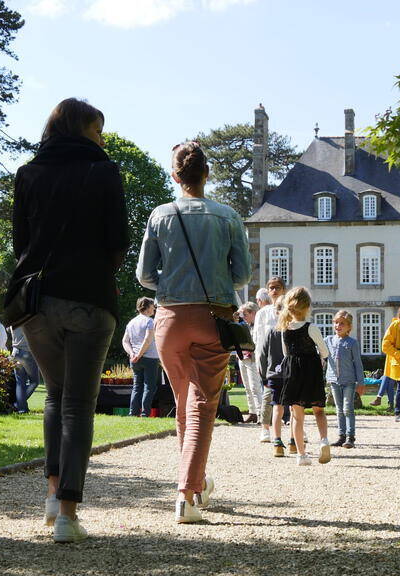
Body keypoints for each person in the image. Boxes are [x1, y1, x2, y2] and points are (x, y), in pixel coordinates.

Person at [9, 98, 128, 543]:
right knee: (79, 402)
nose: (101, 138)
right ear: (81, 129)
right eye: (97, 130)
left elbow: (21, 243)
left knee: (55, 396)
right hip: (88, 298)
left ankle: (51, 496)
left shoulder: (28, 173)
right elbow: (118, 241)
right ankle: (67, 516)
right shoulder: (104, 172)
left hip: (37, 302)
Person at [137, 141, 250, 524]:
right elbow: (242, 276)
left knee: (185, 402)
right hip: (213, 315)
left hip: (169, 317)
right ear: (207, 174)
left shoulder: (160, 215)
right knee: (202, 404)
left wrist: (173, 284)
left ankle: (198, 483)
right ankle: (185, 494)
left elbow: (144, 275)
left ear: (175, 175)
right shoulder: (228, 216)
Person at [277, 286, 331, 466]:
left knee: (297, 416)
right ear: (308, 307)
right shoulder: (311, 327)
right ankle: (324, 440)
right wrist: (322, 361)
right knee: (319, 410)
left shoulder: (285, 330)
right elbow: (324, 351)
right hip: (311, 370)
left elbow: (286, 354)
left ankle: (301, 454)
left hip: (293, 372)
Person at [324, 311, 365, 448]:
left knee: (348, 408)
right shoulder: (328, 341)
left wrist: (361, 382)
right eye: (336, 322)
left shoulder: (352, 343)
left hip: (349, 381)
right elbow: (321, 356)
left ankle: (350, 437)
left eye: (342, 323)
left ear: (349, 327)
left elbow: (358, 364)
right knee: (339, 409)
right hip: (334, 380)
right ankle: (341, 436)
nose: (338, 325)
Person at [256, 295, 289, 456]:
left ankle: (281, 439)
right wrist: (263, 375)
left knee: (277, 406)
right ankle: (265, 429)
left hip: (278, 375)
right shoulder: (273, 332)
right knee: (273, 403)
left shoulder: (286, 331)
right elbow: (262, 355)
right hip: (276, 374)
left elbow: (262, 355)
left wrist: (264, 375)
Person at [122, 297, 161, 417]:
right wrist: (139, 354)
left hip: (134, 360)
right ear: (147, 307)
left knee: (136, 386)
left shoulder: (131, 322)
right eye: (152, 306)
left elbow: (125, 341)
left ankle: (132, 413)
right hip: (150, 358)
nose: (154, 308)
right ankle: (145, 414)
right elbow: (148, 339)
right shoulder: (149, 321)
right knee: (149, 386)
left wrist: (133, 354)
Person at [237, 302, 265, 433]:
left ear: (253, 313)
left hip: (253, 359)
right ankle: (252, 412)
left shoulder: (258, 326)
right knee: (247, 387)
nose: (243, 316)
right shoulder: (244, 325)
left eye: (245, 314)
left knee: (255, 387)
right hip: (242, 357)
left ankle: (260, 413)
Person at [10, 325, 40, 414]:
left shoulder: (13, 321)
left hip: (15, 352)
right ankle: (18, 405)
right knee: (34, 382)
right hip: (27, 352)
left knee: (20, 383)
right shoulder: (27, 320)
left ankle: (22, 408)